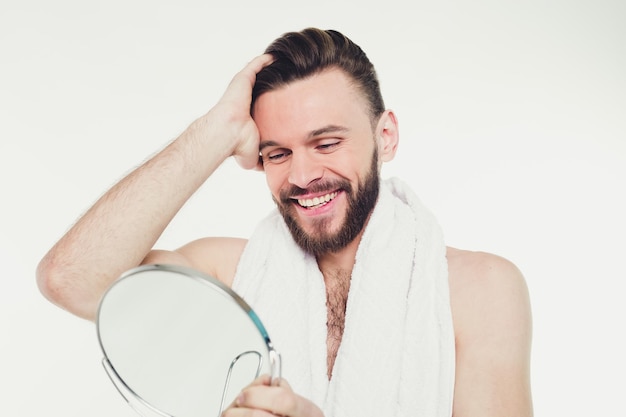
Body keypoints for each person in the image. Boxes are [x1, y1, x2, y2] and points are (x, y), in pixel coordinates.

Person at [37, 28, 533, 417]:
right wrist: (218, 130)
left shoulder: (480, 290)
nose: (302, 176)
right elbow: (72, 280)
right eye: (278, 153)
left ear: (386, 137)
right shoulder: (229, 276)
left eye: (326, 143)